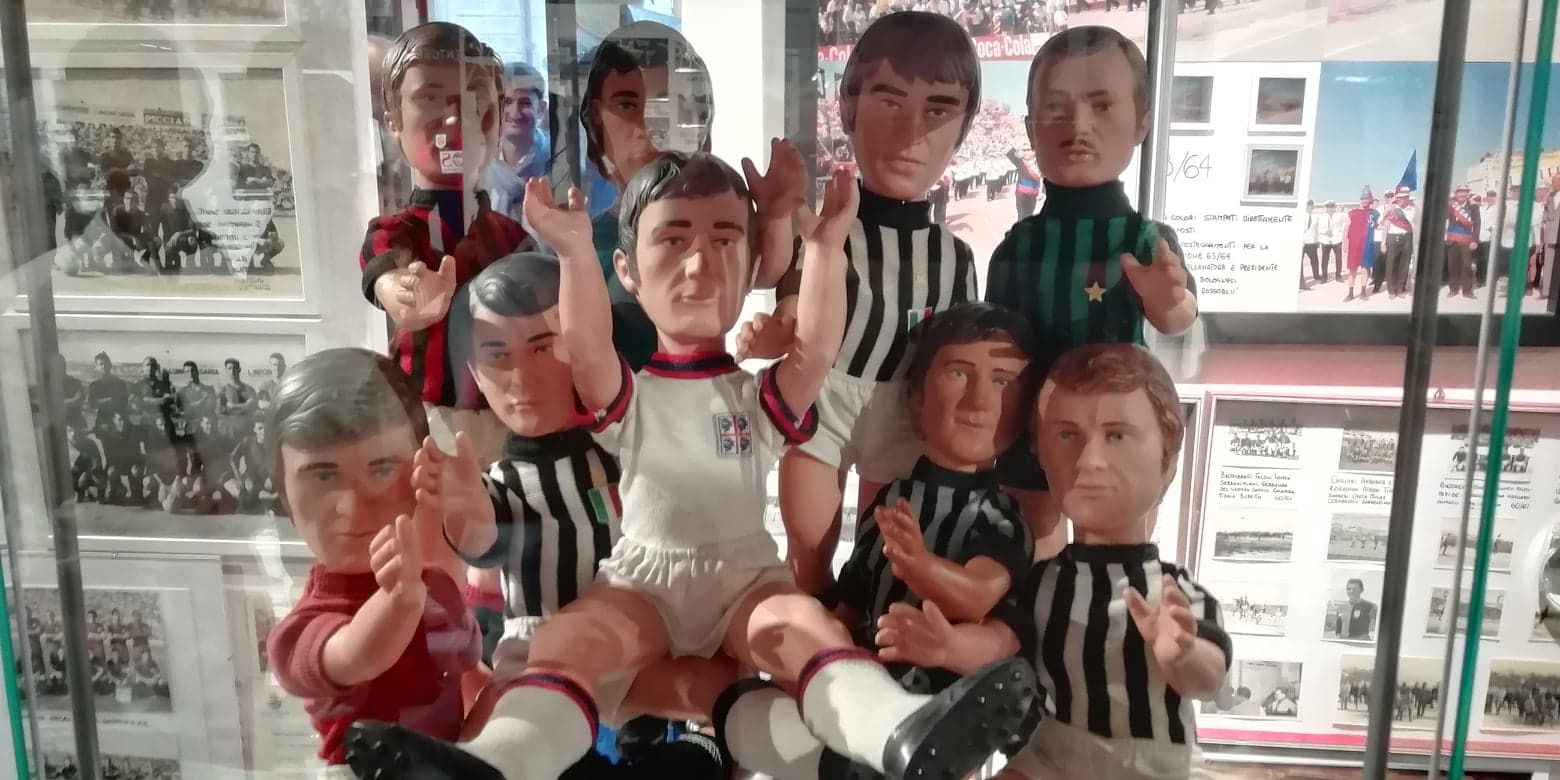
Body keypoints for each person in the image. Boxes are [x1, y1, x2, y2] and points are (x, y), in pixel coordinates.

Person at [345, 153, 1035, 780]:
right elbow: (586, 346)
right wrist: (576, 250)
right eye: (674, 241)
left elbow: (818, 351)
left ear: (752, 261)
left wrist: (826, 249)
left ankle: (898, 734)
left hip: (744, 577)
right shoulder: (630, 394)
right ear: (629, 271)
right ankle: (494, 763)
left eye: (725, 240)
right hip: (643, 577)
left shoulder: (757, 396)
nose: (701, 265)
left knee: (805, 631)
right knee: (571, 640)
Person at [423, 252, 736, 777]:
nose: (521, 375)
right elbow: (485, 535)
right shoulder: (506, 482)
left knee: (724, 694)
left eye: (543, 347)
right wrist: (463, 505)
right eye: (497, 355)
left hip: (641, 644)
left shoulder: (625, 448)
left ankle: (703, 748)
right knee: (497, 732)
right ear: (474, 370)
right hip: (543, 654)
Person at [712, 301, 1038, 778]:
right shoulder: (895, 498)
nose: (979, 401)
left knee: (992, 649)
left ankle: (912, 744)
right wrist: (828, 653)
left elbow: (980, 593)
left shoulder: (998, 515)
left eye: (1002, 382)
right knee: (747, 712)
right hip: (871, 678)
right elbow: (855, 593)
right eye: (958, 374)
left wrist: (922, 572)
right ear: (916, 399)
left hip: (943, 689)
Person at [877, 342, 1230, 779]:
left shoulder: (1176, 593)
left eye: (1117, 435)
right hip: (1054, 752)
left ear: (1167, 459)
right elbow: (1002, 641)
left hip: (1154, 763)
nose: (1090, 460)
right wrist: (949, 647)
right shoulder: (1042, 583)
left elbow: (1210, 677)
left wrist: (1183, 654)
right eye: (1066, 435)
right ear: (1041, 457)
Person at [766, 10, 984, 605]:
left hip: (905, 414)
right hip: (823, 398)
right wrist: (781, 324)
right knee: (807, 546)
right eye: (890, 101)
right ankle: (808, 639)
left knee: (880, 558)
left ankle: (861, 634)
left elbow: (960, 352)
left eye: (938, 109)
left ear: (963, 128)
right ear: (848, 108)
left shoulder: (955, 257)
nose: (912, 131)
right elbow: (795, 297)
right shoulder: (826, 230)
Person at [985, 26, 1197, 558]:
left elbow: (1177, 317)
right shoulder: (1018, 245)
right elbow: (1000, 348)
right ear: (1031, 127)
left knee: (1114, 552)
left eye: (1102, 106)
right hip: (1031, 426)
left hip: (1119, 424)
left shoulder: (1146, 241)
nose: (1078, 127)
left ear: (1141, 121)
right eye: (1056, 109)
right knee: (1030, 546)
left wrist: (1169, 299)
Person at [264, 348, 485, 777]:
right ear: (284, 495)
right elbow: (356, 655)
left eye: (382, 469)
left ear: (420, 470)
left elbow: (473, 672)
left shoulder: (438, 588)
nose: (354, 504)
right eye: (324, 476)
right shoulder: (300, 632)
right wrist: (400, 599)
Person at [359, 22, 530, 464]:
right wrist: (403, 293)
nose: (455, 119)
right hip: (427, 419)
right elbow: (387, 277)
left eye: (475, 99)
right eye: (430, 98)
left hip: (508, 414)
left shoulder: (511, 237)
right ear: (393, 122)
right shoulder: (395, 232)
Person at [486, 62, 553, 220]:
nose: (515, 113)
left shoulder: (556, 160)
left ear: (541, 109)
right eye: (507, 102)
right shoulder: (480, 162)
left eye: (525, 103)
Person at [1345, 188, 1380, 302]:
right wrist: (1345, 242)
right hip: (1355, 245)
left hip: (1367, 244)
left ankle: (1363, 292)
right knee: (1353, 270)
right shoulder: (1353, 212)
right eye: (1363, 198)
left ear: (1370, 200)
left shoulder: (1374, 213)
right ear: (1361, 199)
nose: (1365, 200)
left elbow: (1377, 226)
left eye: (1367, 198)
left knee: (1365, 269)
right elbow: (1347, 228)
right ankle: (1350, 293)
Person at [1446, 184, 1478, 298]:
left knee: (1467, 266)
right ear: (1456, 194)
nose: (1462, 194)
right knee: (1452, 266)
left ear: (1467, 194)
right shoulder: (1450, 206)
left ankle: (1467, 291)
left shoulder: (1473, 207)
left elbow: (1477, 224)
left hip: (1466, 240)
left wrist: (1475, 240)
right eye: (1460, 192)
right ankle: (1453, 289)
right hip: (1452, 240)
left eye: (1465, 192)